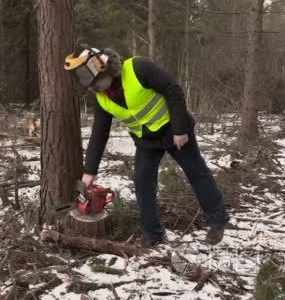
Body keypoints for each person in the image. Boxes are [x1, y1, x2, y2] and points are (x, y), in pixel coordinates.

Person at [64, 45, 229, 246]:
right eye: (90, 86)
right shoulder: (101, 98)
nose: (94, 88)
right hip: (146, 141)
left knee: (196, 172)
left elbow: (173, 90)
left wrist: (180, 129)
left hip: (174, 131)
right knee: (143, 183)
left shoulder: (137, 68)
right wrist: (89, 172)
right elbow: (99, 133)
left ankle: (218, 220)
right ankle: (153, 234)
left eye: (96, 83)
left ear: (105, 69)